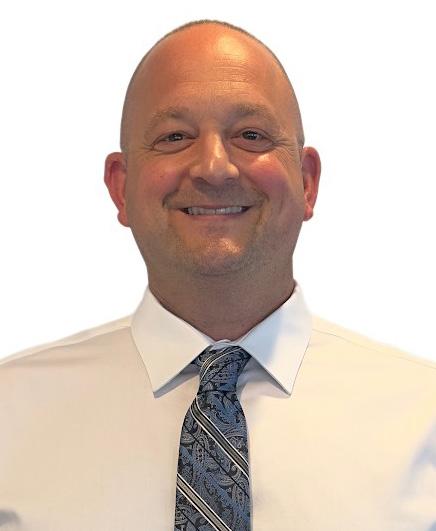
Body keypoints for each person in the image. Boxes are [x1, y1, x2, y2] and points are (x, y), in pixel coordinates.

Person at [1, 19, 435, 531]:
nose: (213, 167)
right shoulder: (10, 414)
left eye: (250, 135)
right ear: (120, 188)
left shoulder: (423, 418)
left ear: (307, 182)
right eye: (174, 137)